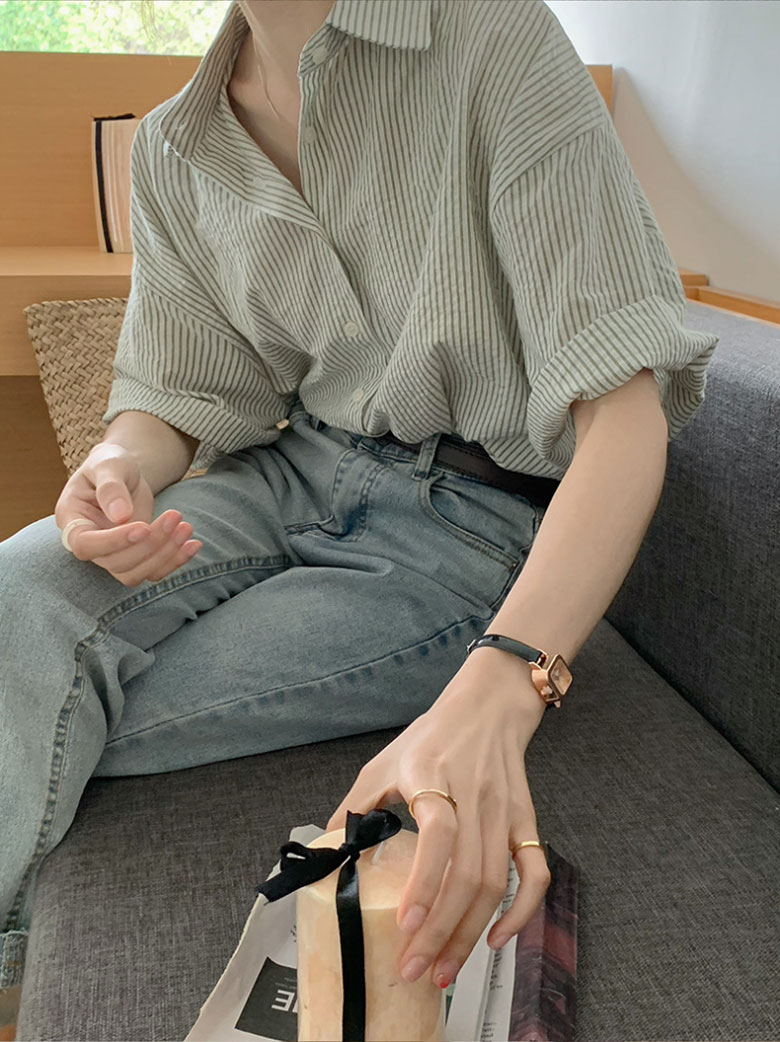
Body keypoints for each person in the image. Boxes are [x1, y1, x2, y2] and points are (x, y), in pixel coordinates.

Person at [0, 0, 718, 1012]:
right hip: (287, 470)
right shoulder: (173, 144)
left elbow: (625, 412)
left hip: (473, 526)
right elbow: (181, 389)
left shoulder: (494, 38)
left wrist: (509, 679)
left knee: (50, 707)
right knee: (16, 601)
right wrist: (118, 461)